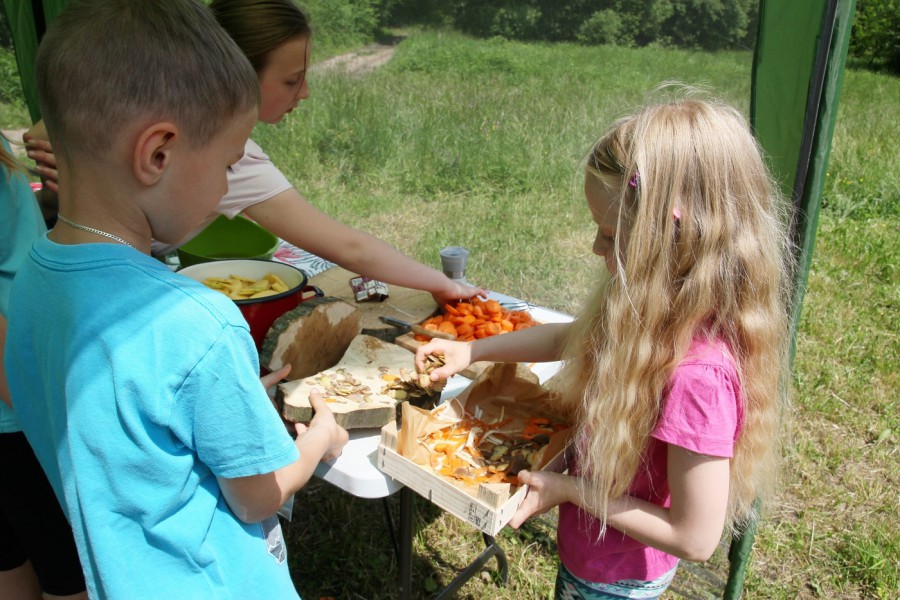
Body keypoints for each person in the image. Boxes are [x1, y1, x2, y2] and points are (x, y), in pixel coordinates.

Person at [4, 1, 348, 598]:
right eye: (227, 163)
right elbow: (256, 498)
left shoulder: (32, 278)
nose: (226, 186)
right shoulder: (199, 322)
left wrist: (221, 400)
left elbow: (118, 430)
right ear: (157, 154)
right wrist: (320, 439)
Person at [415, 98, 794, 599]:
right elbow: (572, 338)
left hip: (617, 581)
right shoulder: (649, 301)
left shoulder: (698, 378)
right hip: (592, 553)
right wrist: (472, 353)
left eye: (610, 234)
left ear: (673, 235)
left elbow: (695, 537)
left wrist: (571, 490)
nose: (597, 248)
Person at [25, 0, 484, 308]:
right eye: (291, 80)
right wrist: (443, 283)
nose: (305, 93)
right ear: (233, 73)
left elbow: (41, 134)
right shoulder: (215, 160)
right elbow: (348, 246)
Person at [0, 136, 86, 600]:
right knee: (68, 577)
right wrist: (46, 414)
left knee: (14, 561)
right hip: (18, 415)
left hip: (19, 405)